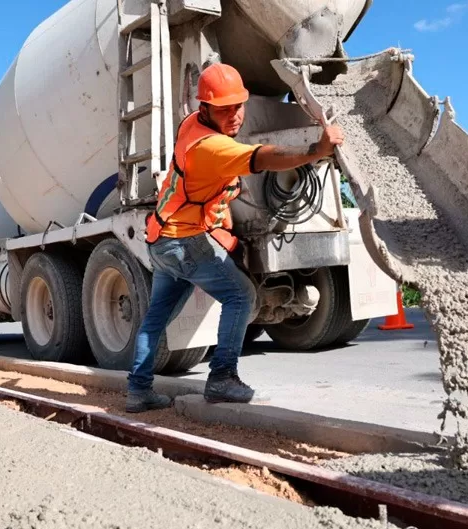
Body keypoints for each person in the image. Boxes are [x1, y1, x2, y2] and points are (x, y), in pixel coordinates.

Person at [126, 62, 345, 413]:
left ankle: (138, 391)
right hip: (183, 242)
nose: (235, 116)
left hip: (160, 239)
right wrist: (315, 151)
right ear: (205, 109)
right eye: (224, 109)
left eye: (238, 106)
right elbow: (262, 157)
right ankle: (222, 378)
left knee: (155, 320)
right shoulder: (209, 148)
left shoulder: (190, 124)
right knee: (241, 296)